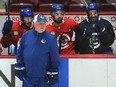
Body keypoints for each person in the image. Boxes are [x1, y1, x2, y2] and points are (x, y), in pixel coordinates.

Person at [14, 14, 60, 87]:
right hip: (28, 76)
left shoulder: (51, 39)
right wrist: (20, 65)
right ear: (34, 24)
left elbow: (55, 58)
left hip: (43, 78)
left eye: (44, 23)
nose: (42, 26)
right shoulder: (26, 36)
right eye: (39, 23)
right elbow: (20, 53)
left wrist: (53, 71)